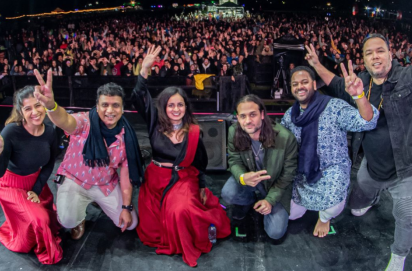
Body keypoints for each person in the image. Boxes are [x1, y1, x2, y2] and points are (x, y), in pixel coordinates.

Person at [304, 15, 412, 271]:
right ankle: (372, 198)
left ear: (391, 55)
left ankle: (398, 256)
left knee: (407, 217)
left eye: (380, 51)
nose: (375, 56)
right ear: (364, 60)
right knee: (356, 206)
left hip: (408, 168)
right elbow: (335, 84)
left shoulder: (411, 76)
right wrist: (315, 64)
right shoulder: (361, 83)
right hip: (373, 167)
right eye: (369, 53)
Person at [133, 45, 230, 267]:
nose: (176, 109)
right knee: (150, 230)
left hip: (183, 179)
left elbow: (201, 162)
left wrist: (203, 187)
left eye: (180, 104)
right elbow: (138, 96)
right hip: (155, 180)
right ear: (163, 107)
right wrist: (144, 71)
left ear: (186, 106)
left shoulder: (194, 131)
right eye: (171, 105)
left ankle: (204, 224)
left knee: (180, 211)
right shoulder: (154, 122)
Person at [32, 70, 143, 240]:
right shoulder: (85, 121)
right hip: (74, 180)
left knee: (130, 223)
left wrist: (126, 207)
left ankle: (98, 201)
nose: (110, 110)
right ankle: (79, 218)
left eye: (115, 105)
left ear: (122, 108)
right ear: (97, 106)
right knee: (67, 221)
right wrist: (51, 106)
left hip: (105, 184)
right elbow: (66, 121)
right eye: (105, 105)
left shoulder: (126, 136)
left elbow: (126, 176)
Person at [280, 66, 378, 237]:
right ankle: (307, 205)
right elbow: (279, 139)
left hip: (332, 171)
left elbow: (367, 122)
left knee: (332, 207)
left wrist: (358, 96)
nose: (299, 87)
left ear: (315, 85)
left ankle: (324, 218)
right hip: (303, 173)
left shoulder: (333, 106)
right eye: (295, 84)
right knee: (291, 214)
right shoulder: (291, 114)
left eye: (304, 82)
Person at [0, 86, 62, 264]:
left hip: (35, 182)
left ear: (44, 105)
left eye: (38, 106)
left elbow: (50, 162)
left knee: (51, 218)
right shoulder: (11, 132)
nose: (35, 112)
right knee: (41, 219)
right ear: (20, 111)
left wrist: (36, 189)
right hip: (10, 184)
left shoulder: (50, 132)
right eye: (28, 109)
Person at [221, 94, 297, 242]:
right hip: (250, 182)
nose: (248, 121)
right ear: (237, 117)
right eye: (243, 116)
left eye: (252, 115)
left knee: (275, 233)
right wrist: (242, 177)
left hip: (274, 185)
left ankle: (264, 203)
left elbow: (288, 175)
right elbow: (234, 160)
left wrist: (270, 200)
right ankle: (248, 201)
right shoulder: (233, 131)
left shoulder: (285, 138)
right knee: (228, 193)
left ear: (262, 114)